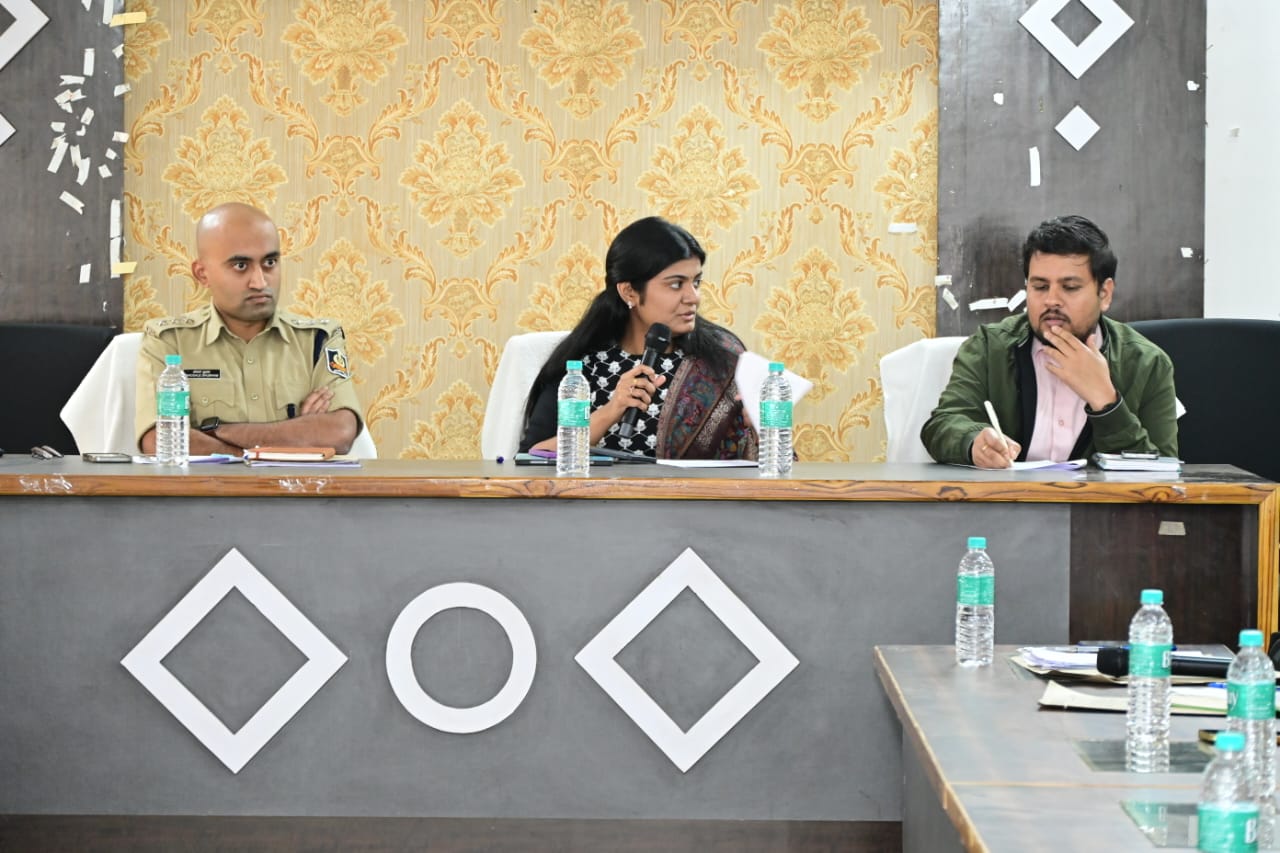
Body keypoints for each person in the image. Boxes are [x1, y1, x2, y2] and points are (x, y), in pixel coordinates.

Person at [921, 215, 1178, 469]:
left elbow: (1164, 472)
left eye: (1070, 287)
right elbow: (942, 425)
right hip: (1007, 495)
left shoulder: (1147, 363)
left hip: (1096, 498)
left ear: (1104, 293)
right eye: (1040, 287)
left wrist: (1106, 403)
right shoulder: (990, 347)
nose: (1051, 300)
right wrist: (972, 443)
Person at [520, 216, 758, 460]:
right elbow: (531, 458)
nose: (693, 297)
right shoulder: (582, 365)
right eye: (676, 284)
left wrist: (761, 429)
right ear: (629, 291)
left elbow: (761, 461)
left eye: (696, 282)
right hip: (601, 487)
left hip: (697, 487)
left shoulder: (723, 359)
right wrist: (611, 411)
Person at [134, 203, 362, 455]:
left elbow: (339, 432)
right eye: (241, 266)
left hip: (297, 483)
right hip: (207, 483)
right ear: (202, 274)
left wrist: (216, 430)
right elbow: (159, 440)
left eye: (270, 262)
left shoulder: (317, 339)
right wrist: (295, 435)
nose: (260, 282)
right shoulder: (169, 341)